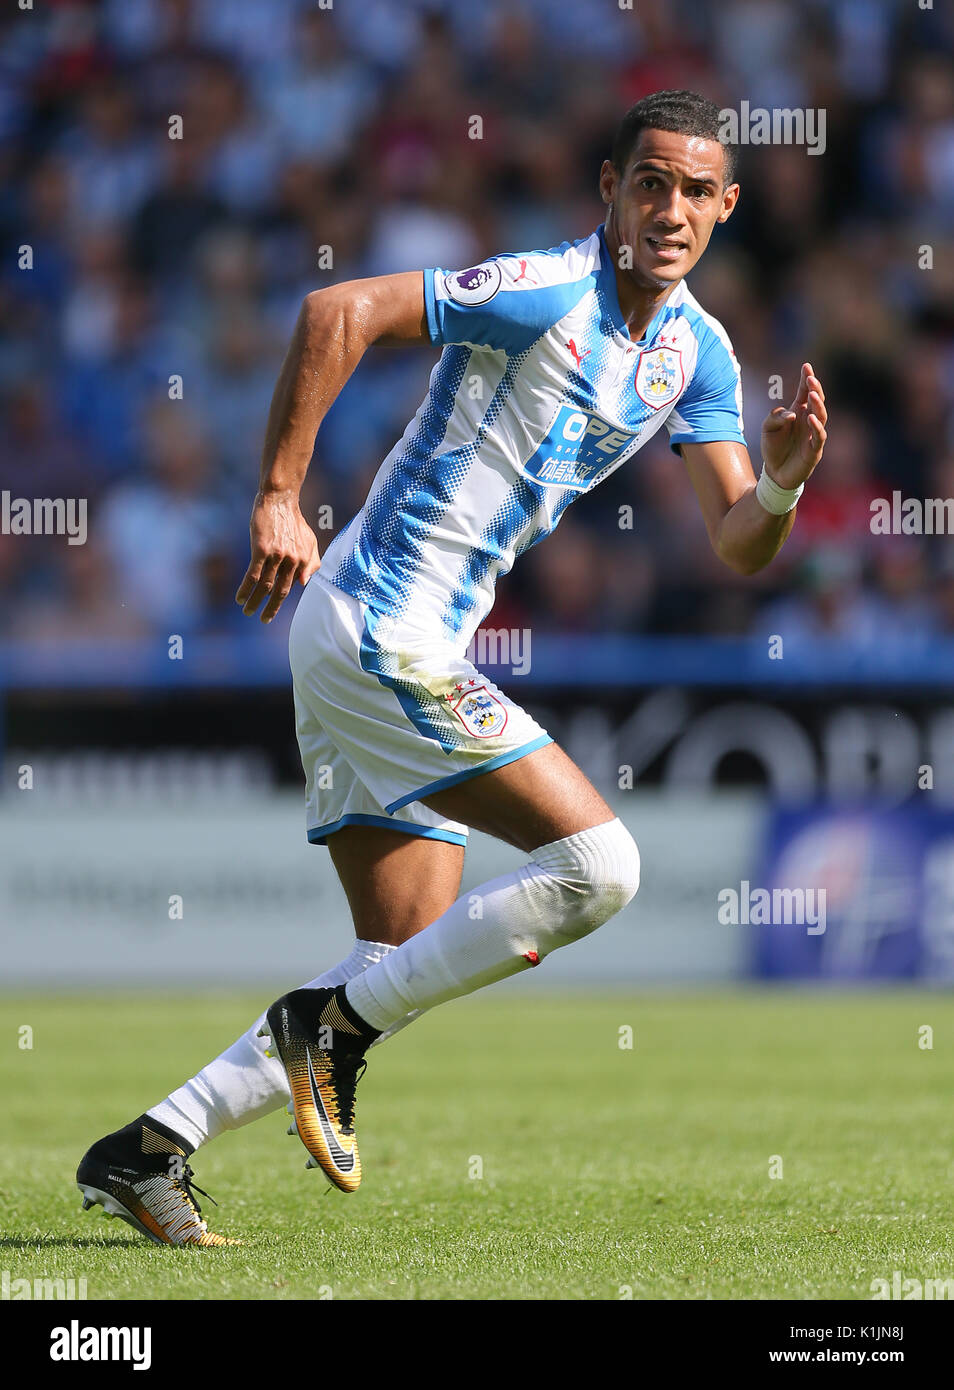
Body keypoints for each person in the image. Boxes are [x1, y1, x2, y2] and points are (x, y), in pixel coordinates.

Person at [76, 89, 827, 1244]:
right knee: (601, 866)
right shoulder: (545, 291)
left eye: (693, 190)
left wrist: (779, 484)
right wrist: (278, 497)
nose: (669, 209)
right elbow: (338, 309)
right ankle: (326, 1033)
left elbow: (739, 542)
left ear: (727, 206)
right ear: (609, 191)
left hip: (376, 640)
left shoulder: (698, 355)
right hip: (384, 626)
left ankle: (150, 1146)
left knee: (397, 957)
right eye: (649, 183)